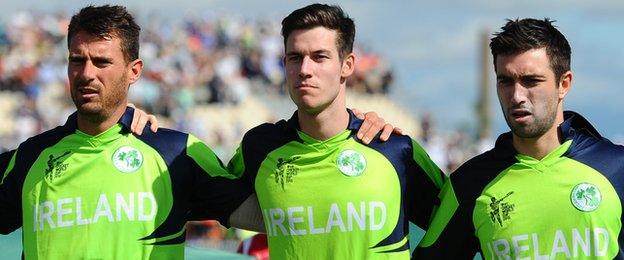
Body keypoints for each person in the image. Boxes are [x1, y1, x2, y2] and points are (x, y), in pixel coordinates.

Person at [0, 5, 256, 259]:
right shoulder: (28, 158)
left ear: (133, 71)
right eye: (77, 60)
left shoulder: (177, 154)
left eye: (102, 62)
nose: (87, 73)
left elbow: (274, 217)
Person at [227, 4, 445, 259]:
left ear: (347, 64)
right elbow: (207, 198)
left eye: (320, 57)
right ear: (284, 64)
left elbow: (464, 228)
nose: (305, 70)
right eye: (295, 58)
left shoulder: (395, 149)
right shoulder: (258, 147)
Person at [415, 18, 624, 259]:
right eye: (506, 81)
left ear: (563, 84)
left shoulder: (616, 169)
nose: (517, 96)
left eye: (531, 81)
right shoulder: (469, 184)